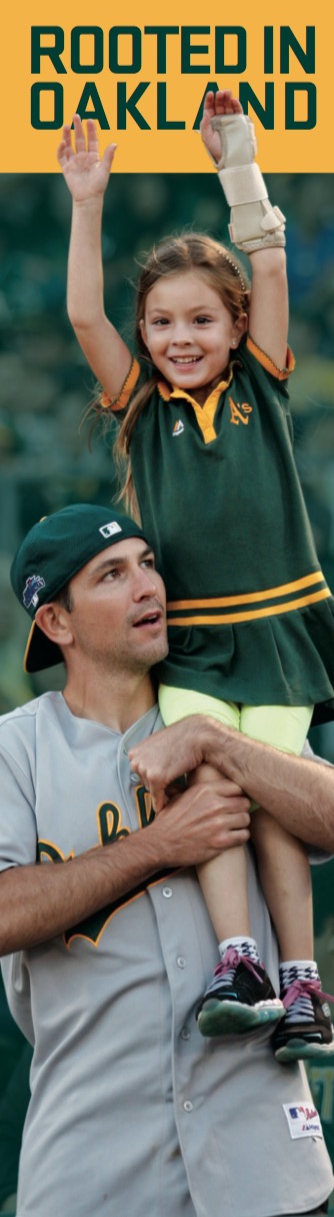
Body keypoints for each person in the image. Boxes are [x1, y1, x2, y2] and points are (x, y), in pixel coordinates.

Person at [58, 90, 334, 1056]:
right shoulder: (141, 407)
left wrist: (239, 161)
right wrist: (88, 200)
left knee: (277, 808)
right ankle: (240, 963)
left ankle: (304, 986)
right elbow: (83, 309)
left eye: (201, 321)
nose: (181, 338)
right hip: (198, 647)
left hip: (281, 631)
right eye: (163, 322)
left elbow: (264, 251)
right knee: (210, 791)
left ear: (237, 326)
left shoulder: (262, 375)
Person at [1, 501, 334, 1217]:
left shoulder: (230, 712)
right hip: (93, 1173)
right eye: (112, 575)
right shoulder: (15, 751)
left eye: (149, 564)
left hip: (266, 1168)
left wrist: (219, 742)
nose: (147, 586)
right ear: (56, 623)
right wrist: (160, 845)